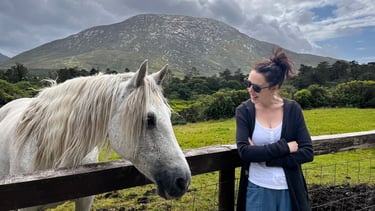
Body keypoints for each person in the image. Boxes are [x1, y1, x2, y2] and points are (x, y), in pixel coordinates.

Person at [235, 48, 314, 211]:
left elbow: (307, 152)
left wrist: (266, 158)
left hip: (290, 190)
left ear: (274, 87)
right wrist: (285, 147)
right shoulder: (244, 111)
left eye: (256, 87)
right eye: (248, 83)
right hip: (257, 189)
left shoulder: (293, 109)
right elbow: (245, 152)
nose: (250, 90)